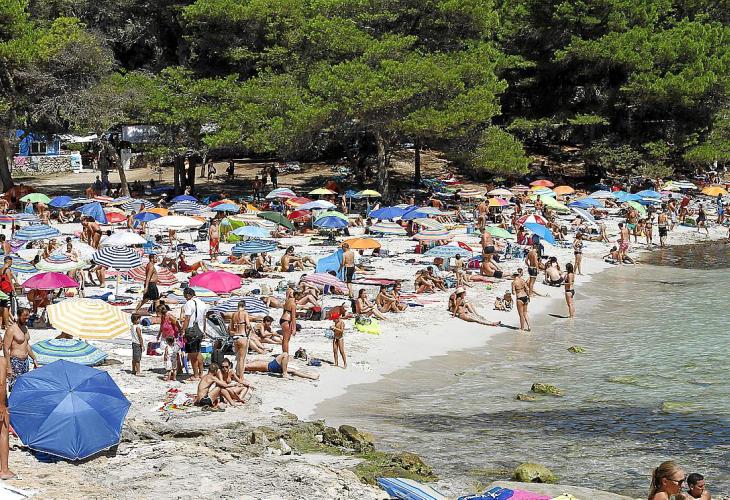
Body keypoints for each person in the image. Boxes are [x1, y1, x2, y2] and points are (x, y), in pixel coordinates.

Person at [3, 308, 38, 389]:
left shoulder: (25, 328)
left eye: (28, 318)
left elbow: (26, 345)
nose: (26, 320)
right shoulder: (11, 329)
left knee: (24, 386)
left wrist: (34, 358)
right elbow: (5, 349)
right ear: (18, 316)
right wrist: (9, 367)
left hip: (25, 361)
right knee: (15, 387)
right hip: (15, 362)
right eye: (24, 318)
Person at [181, 288, 207, 382]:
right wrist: (204, 331)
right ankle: (201, 373)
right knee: (198, 352)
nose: (185, 298)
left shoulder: (189, 303)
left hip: (191, 331)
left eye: (185, 296)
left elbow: (187, 318)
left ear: (188, 295)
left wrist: (183, 330)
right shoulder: (203, 303)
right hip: (200, 330)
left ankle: (195, 375)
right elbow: (204, 319)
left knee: (192, 355)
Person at [245, 352, 319, 380]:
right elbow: (244, 367)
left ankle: (311, 376)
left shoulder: (252, 362)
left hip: (271, 366)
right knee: (285, 354)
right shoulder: (248, 365)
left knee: (293, 371)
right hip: (270, 366)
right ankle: (285, 373)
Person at [0, 355, 14, 479]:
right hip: (0, 402)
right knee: (3, 433)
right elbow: (1, 384)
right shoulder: (1, 360)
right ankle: (4, 470)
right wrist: (1, 406)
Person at [0, 257, 17, 329]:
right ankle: (7, 325)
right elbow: (10, 281)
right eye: (11, 262)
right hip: (7, 290)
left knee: (3, 307)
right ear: (9, 261)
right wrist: (14, 290)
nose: (12, 263)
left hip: (2, 290)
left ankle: (3, 324)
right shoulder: (7, 270)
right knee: (6, 307)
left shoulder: (1, 269)